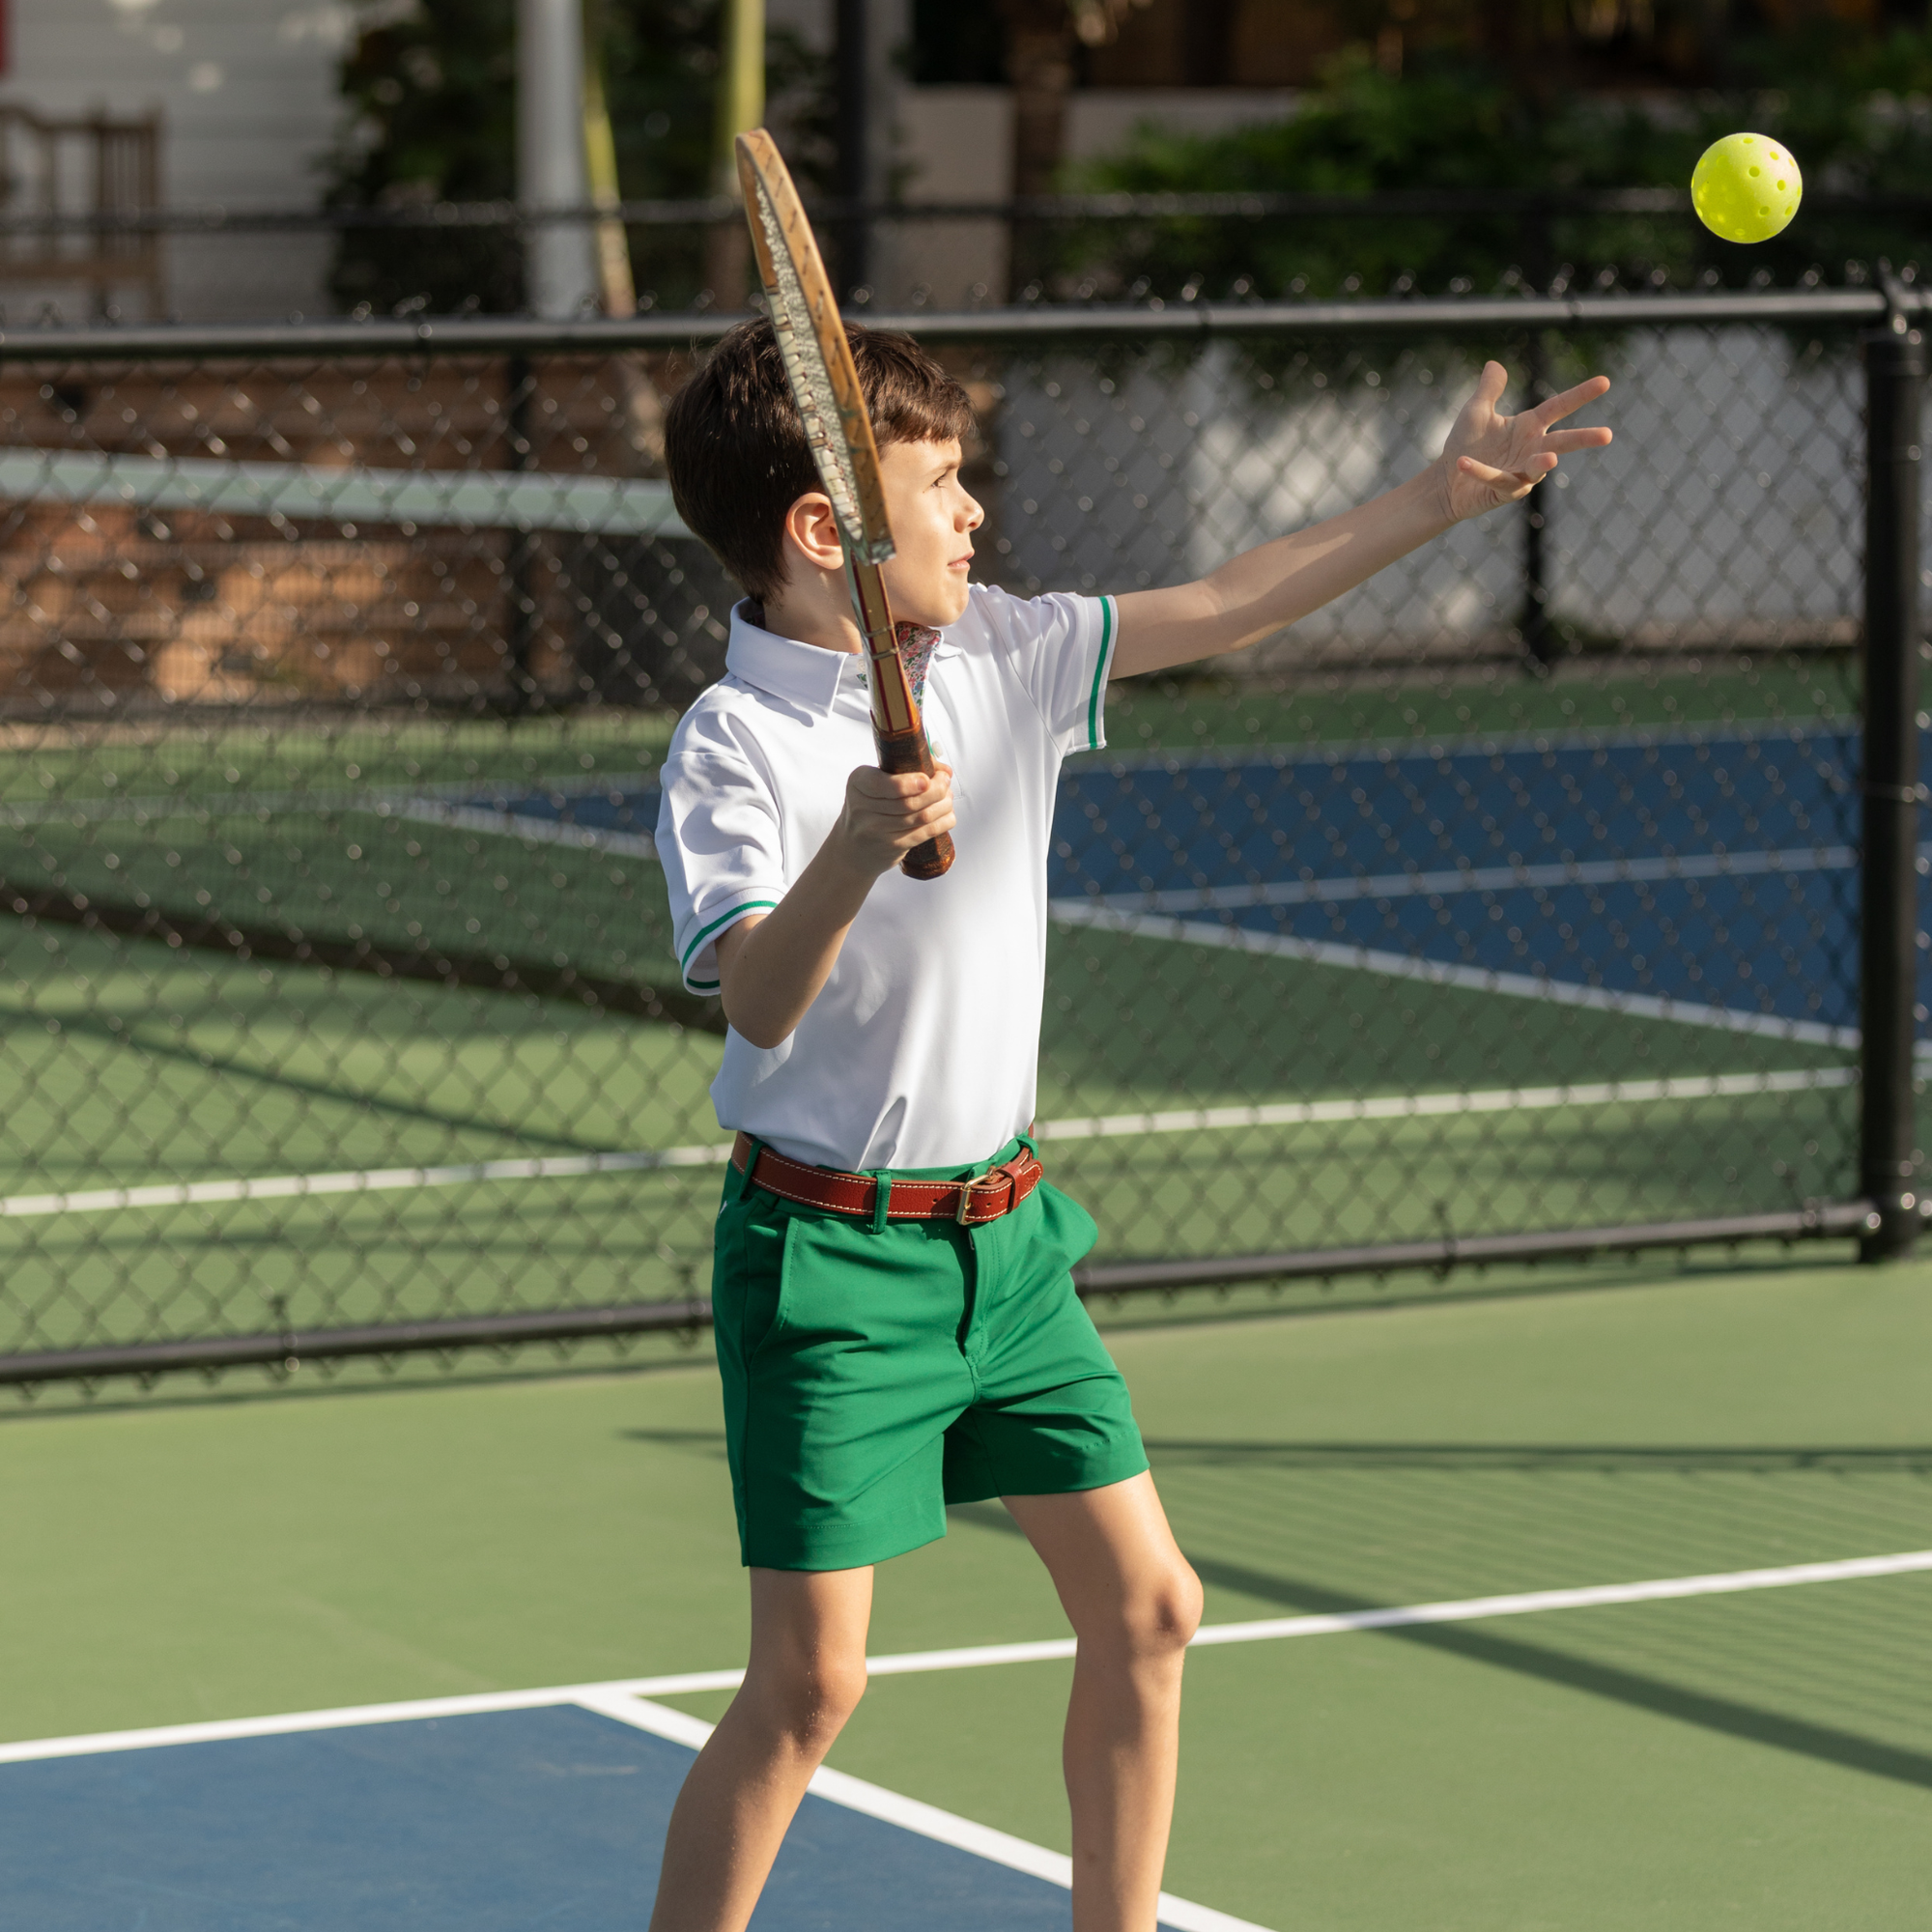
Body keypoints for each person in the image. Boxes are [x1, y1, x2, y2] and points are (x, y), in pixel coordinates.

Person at [648, 319, 1611, 1932]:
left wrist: (1439, 499)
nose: (975, 513)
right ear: (825, 529)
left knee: (1152, 1607)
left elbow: (1230, 600)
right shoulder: (733, 744)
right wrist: (855, 852)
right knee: (811, 1689)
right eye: (940, 485)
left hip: (1011, 1247)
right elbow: (756, 997)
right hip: (829, 1264)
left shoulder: (1008, 653)